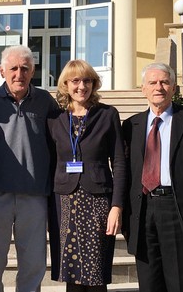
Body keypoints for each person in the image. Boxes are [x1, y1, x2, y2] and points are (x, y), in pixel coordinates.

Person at [121, 63, 183, 292]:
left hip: (179, 210)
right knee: (149, 284)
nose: (159, 87)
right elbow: (125, 174)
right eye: (153, 83)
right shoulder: (131, 126)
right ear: (143, 89)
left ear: (174, 88)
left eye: (164, 82)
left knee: (182, 285)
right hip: (143, 211)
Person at [0, 45, 60, 292]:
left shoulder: (45, 101)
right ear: (2, 71)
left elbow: (58, 145)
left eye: (25, 68)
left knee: (33, 265)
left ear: (32, 71)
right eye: (13, 68)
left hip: (34, 196)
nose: (18, 74)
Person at [47, 59, 127, 292]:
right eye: (75, 81)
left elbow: (119, 163)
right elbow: (50, 162)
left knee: (95, 273)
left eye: (87, 81)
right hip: (64, 201)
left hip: (98, 200)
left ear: (94, 84)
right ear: (65, 84)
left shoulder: (107, 115)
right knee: (71, 272)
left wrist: (117, 206)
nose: (81, 86)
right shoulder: (55, 118)